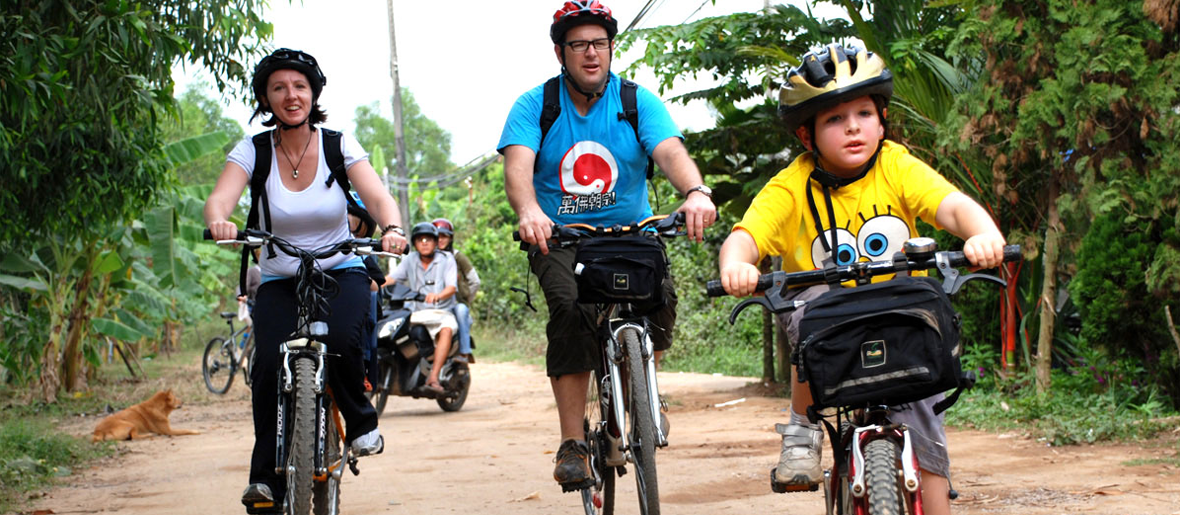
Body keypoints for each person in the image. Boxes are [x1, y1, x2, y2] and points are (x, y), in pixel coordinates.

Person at [717, 44, 1006, 515]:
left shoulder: (896, 164)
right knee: (807, 318)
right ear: (808, 137)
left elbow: (949, 204)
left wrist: (983, 234)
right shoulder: (792, 185)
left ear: (883, 119)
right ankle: (802, 428)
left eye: (864, 113)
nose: (853, 126)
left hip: (898, 312)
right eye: (834, 119)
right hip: (827, 319)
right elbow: (747, 236)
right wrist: (737, 264)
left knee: (927, 432)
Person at [498, 0, 717, 492]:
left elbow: (669, 152)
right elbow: (518, 165)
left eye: (600, 43)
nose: (591, 54)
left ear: (611, 48)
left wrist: (696, 191)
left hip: (630, 233)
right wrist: (529, 212)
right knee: (569, 307)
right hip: (559, 237)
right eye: (579, 45)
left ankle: (645, 392)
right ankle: (572, 441)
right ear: (561, 53)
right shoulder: (536, 104)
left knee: (660, 296)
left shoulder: (636, 101)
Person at [203, 48, 407, 511]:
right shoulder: (252, 150)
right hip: (280, 276)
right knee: (267, 369)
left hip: (340, 267)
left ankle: (359, 424)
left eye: (299, 87)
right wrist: (221, 220)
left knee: (341, 340)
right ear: (266, 98)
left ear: (313, 94)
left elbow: (376, 197)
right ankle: (264, 483)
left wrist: (391, 228)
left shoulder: (338, 144)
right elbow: (220, 198)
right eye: (279, 88)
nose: (290, 96)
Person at [386, 222, 458, 394]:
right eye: (420, 239)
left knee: (446, 330)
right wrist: (371, 285)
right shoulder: (409, 259)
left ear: (435, 242)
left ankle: (433, 377)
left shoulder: (447, 260)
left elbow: (451, 287)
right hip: (416, 312)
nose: (424, 242)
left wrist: (438, 295)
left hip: (441, 311)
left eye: (428, 239)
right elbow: (392, 278)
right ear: (415, 243)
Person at [348, 192, 388, 387]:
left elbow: (376, 285)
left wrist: (358, 276)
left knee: (362, 313)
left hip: (355, 303)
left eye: (355, 229)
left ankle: (363, 363)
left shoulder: (363, 254)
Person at [432, 218, 480, 363]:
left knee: (461, 310)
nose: (440, 240)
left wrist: (466, 299)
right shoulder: (425, 256)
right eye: (437, 236)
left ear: (450, 238)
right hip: (431, 303)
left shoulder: (457, 256)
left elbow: (474, 281)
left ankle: (465, 353)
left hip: (454, 303)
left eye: (444, 236)